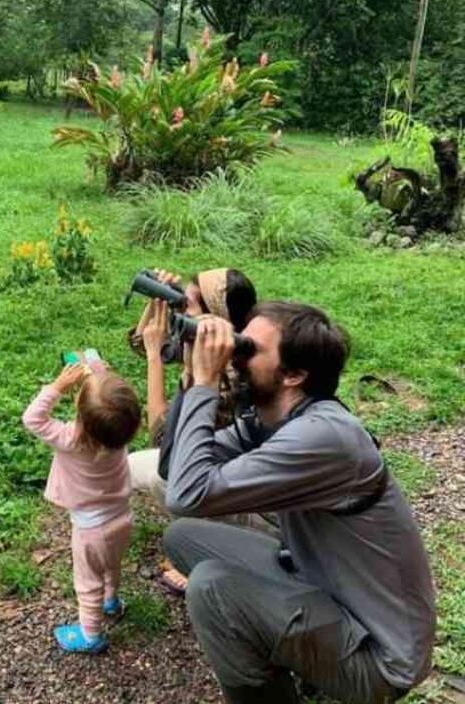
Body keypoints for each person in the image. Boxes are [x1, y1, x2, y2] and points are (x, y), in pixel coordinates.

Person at [162, 302, 435, 703]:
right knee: (183, 537)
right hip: (323, 586)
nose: (235, 356)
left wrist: (207, 384)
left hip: (380, 658)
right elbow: (174, 467)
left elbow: (187, 493)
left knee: (211, 589)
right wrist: (190, 380)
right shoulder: (273, 420)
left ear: (292, 375)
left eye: (247, 349)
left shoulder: (324, 437)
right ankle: (285, 648)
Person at [128, 267, 261, 595]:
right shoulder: (232, 343)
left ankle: (210, 545)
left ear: (213, 317)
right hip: (235, 470)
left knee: (163, 476)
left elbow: (162, 441)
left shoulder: (224, 378)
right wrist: (159, 301)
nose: (180, 313)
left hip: (235, 492)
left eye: (187, 307)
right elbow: (140, 341)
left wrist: (154, 360)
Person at [22, 362, 142, 654]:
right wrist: (98, 372)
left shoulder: (70, 439)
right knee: (112, 565)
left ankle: (91, 635)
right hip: (122, 518)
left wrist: (57, 387)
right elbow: (112, 405)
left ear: (82, 415)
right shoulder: (119, 436)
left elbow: (32, 418)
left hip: (91, 530)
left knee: (87, 582)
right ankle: (111, 602)